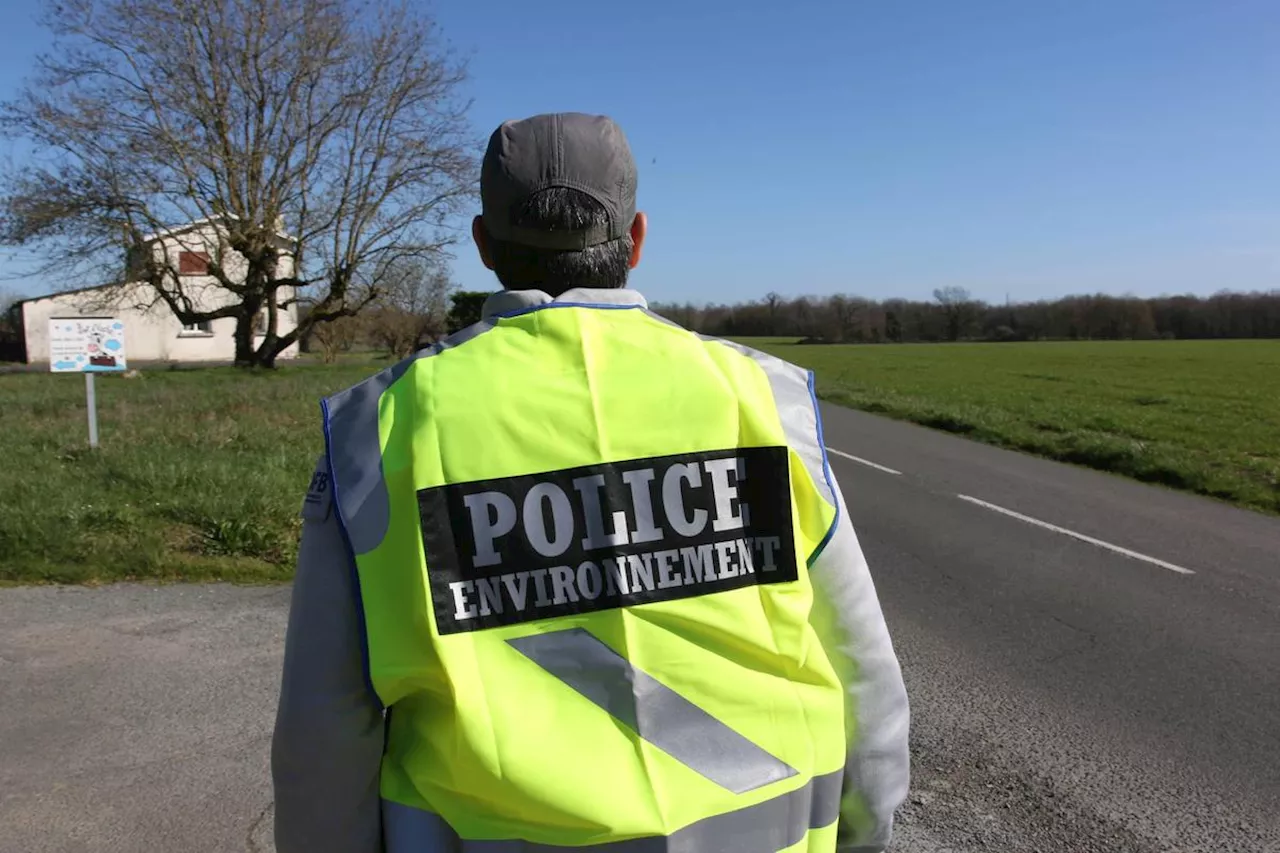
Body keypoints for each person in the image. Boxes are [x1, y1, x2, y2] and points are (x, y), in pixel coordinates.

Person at [272, 112, 910, 853]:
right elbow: (863, 671)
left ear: (483, 245)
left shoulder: (381, 425)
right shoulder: (763, 398)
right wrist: (866, 832)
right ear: (636, 238)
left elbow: (324, 726)